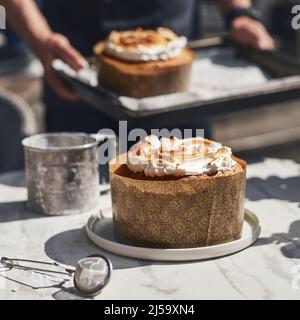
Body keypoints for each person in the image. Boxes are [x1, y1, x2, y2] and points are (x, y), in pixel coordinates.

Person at [1, 0, 275, 137]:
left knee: (186, 191)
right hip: (76, 66)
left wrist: (237, 14)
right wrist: (39, 38)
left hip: (174, 82)